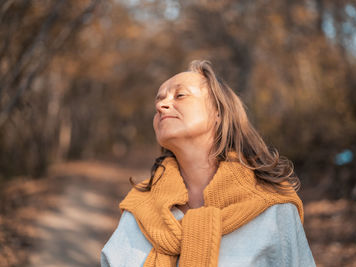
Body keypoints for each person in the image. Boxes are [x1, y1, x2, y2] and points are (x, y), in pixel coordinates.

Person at [101, 60, 316, 267]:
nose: (161, 104)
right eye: (159, 99)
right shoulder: (139, 207)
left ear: (218, 113)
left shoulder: (273, 207)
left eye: (180, 95)